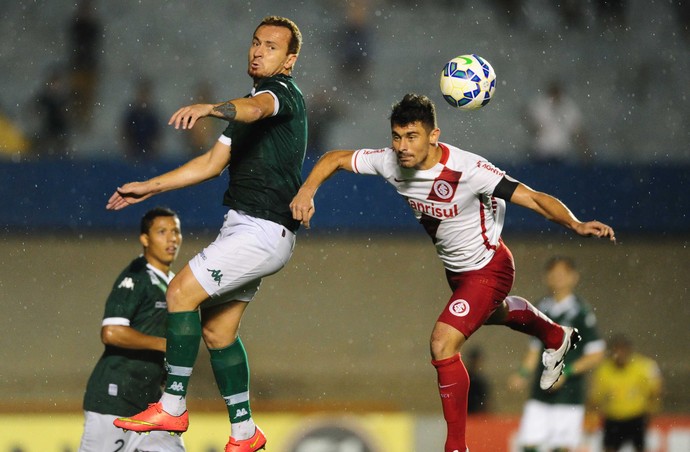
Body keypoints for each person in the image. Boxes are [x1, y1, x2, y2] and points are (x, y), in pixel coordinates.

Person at [290, 93, 616, 452]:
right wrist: (307, 190)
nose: (401, 146)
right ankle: (555, 335)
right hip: (457, 273)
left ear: (434, 135)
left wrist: (574, 223)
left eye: (411, 136)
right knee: (497, 313)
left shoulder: (469, 169)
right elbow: (335, 158)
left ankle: (456, 447)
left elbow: (533, 197)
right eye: (396, 136)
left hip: (490, 267)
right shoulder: (389, 161)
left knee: (442, 343)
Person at [106, 16, 305, 452]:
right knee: (218, 333)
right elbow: (210, 165)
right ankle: (244, 431)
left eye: (271, 47)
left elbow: (256, 107)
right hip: (252, 229)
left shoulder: (281, 95)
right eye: (255, 42)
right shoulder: (250, 108)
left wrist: (211, 107)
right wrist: (149, 186)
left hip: (261, 230)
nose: (258, 51)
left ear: (289, 61)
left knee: (179, 293)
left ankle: (173, 405)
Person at [79, 207, 184, 452]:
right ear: (145, 239)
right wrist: (164, 345)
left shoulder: (173, 282)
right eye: (162, 232)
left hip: (151, 402)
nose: (172, 238)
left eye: (176, 231)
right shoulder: (136, 277)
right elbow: (112, 332)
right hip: (116, 397)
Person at [509, 256, 606, 452]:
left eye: (563, 274)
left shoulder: (581, 312)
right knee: (529, 444)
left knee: (561, 447)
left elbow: (596, 354)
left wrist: (566, 372)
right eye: (553, 274)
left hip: (569, 393)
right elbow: (534, 348)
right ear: (546, 277)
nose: (557, 278)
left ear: (574, 277)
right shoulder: (541, 307)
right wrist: (523, 373)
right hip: (540, 391)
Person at [589, 334, 663, 452]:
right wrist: (592, 415)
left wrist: (652, 409)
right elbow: (596, 396)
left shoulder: (643, 366)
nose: (620, 354)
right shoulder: (604, 370)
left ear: (629, 351)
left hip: (636, 416)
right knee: (609, 448)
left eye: (623, 350)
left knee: (640, 447)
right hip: (613, 418)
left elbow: (655, 390)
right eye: (616, 350)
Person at [525, 79, 589, 165]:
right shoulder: (541, 105)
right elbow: (527, 117)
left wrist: (585, 152)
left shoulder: (569, 107)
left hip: (561, 153)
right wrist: (534, 128)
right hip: (542, 153)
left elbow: (577, 131)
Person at [121, 78, 162, 162]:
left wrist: (154, 149)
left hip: (149, 154)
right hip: (133, 154)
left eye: (145, 94)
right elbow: (124, 133)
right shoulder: (132, 115)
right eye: (142, 94)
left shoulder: (152, 116)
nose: (143, 97)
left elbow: (158, 136)